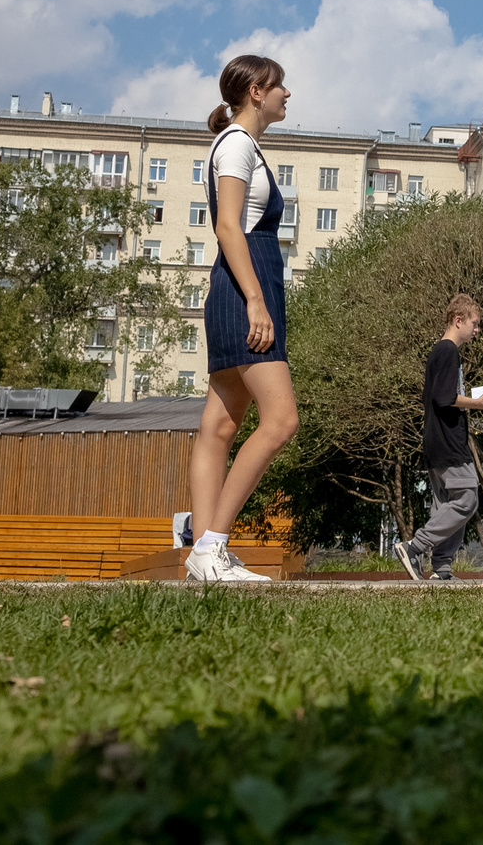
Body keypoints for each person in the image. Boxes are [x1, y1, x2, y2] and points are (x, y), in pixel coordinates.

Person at [183, 54, 303, 584]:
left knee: (221, 425)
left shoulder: (241, 144)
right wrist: (256, 300)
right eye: (280, 86)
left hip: (242, 287)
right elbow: (228, 228)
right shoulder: (235, 143)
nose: (287, 94)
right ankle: (212, 544)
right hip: (243, 290)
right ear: (256, 91)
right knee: (281, 421)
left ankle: (202, 556)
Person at [398, 293, 483, 581]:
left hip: (436, 442)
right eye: (475, 323)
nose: (477, 330)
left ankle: (442, 569)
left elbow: (441, 395)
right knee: (467, 499)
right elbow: (444, 398)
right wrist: (479, 403)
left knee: (445, 506)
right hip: (448, 442)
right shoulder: (448, 351)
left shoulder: (441, 352)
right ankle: (414, 547)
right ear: (458, 321)